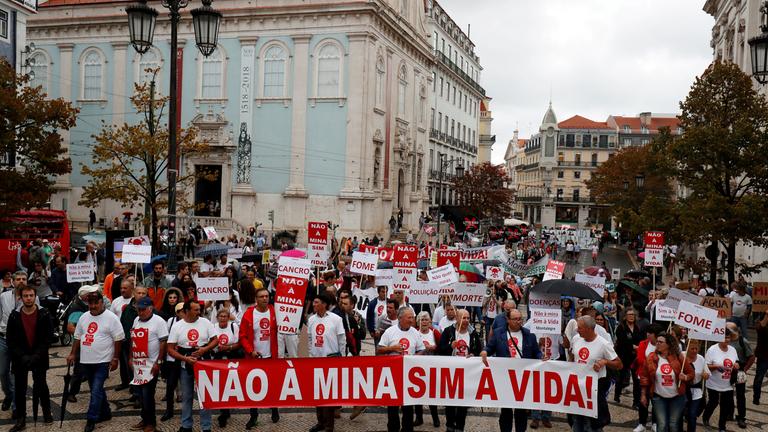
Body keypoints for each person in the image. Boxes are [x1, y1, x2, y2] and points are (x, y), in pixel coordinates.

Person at [67, 287, 125, 432]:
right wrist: (73, 353)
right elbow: (77, 336)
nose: (92, 307)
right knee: (96, 389)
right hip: (86, 361)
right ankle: (105, 412)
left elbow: (118, 339)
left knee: (96, 389)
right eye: (90, 304)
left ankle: (91, 418)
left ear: (102, 302)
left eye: (95, 304)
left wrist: (115, 358)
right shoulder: (84, 317)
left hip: (103, 361)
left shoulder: (111, 318)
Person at [481, 309, 541, 432]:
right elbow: (490, 347)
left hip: (523, 379)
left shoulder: (529, 335)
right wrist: (485, 351)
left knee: (521, 412)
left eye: (520, 319)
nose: (519, 322)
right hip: (505, 379)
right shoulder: (498, 333)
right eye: (515, 319)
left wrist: (542, 357)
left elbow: (537, 353)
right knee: (506, 411)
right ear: (507, 320)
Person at [7, 284, 53, 431]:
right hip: (21, 358)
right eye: (25, 296)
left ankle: (46, 412)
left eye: (31, 295)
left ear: (35, 296)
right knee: (20, 389)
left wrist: (37, 355)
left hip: (39, 357)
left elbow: (48, 337)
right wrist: (22, 355)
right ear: (21, 298)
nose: (28, 298)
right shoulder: (14, 315)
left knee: (41, 385)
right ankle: (21, 419)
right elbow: (10, 340)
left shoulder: (44, 313)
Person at [167, 301, 218, 432]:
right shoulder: (177, 326)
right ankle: (186, 425)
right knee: (187, 396)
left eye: (199, 309)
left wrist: (204, 349)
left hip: (203, 364)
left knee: (204, 396)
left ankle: (206, 427)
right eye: (195, 310)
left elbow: (215, 340)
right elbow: (170, 349)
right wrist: (185, 358)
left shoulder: (205, 323)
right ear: (186, 311)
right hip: (185, 364)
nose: (198, 312)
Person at [568, 315, 622, 432]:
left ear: (589, 329)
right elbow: (572, 357)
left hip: (595, 388)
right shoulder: (576, 339)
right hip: (578, 387)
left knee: (592, 424)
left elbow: (619, 364)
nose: (577, 330)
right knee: (577, 420)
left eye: (580, 327)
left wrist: (605, 362)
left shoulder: (603, 344)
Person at [377, 307, 425, 432]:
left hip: (409, 376)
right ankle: (393, 428)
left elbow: (421, 349)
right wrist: (391, 348)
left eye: (412, 317)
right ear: (400, 318)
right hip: (393, 374)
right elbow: (379, 349)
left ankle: (407, 429)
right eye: (409, 317)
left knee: (408, 406)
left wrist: (414, 358)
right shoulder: (390, 332)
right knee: (393, 406)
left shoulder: (415, 332)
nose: (412, 320)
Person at [238, 287, 279, 429]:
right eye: (261, 296)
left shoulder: (274, 312)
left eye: (267, 296)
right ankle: (253, 416)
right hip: (253, 358)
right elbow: (242, 336)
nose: (265, 299)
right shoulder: (249, 314)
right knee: (253, 388)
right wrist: (250, 351)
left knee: (272, 385)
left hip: (270, 357)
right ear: (256, 299)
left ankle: (274, 409)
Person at [638, 332, 692, 432]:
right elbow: (644, 377)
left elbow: (691, 374)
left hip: (677, 397)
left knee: (673, 425)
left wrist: (685, 377)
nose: (657, 343)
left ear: (668, 344)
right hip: (659, 396)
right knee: (661, 425)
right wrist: (643, 395)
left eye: (661, 342)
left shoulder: (679, 357)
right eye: (657, 341)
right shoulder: (651, 357)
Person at [307, 293, 346, 432]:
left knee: (329, 395)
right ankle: (320, 422)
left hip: (332, 361)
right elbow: (310, 339)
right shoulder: (311, 319)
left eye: (316, 302)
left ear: (324, 304)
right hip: (317, 361)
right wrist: (312, 355)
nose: (314, 304)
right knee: (318, 394)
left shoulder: (336, 319)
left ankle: (329, 425)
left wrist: (342, 358)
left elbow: (342, 340)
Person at [438, 309, 481, 432]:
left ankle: (460, 427)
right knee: (450, 402)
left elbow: (479, 349)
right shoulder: (448, 332)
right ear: (457, 318)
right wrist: (449, 347)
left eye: (468, 318)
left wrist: (474, 354)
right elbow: (440, 350)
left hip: (467, 373)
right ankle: (450, 425)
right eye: (464, 318)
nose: (466, 321)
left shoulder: (473, 333)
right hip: (450, 373)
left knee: (463, 402)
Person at [129, 296, 168, 432]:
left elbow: (163, 343)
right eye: (138, 309)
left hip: (151, 364)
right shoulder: (136, 320)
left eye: (143, 309)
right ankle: (144, 419)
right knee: (139, 394)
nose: (140, 312)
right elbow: (133, 340)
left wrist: (159, 361)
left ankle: (151, 423)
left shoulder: (159, 322)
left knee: (148, 394)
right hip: (138, 364)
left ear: (150, 308)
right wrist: (130, 358)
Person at [702, 326, 739, 432]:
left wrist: (736, 365)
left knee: (725, 406)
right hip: (713, 383)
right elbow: (706, 366)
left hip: (728, 384)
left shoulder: (733, 350)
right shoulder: (712, 350)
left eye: (728, 337)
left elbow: (736, 363)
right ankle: (705, 417)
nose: (727, 340)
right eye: (724, 338)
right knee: (713, 402)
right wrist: (717, 366)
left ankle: (722, 427)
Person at [210, 308, 241, 428]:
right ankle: (223, 412)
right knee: (220, 385)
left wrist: (228, 347)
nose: (223, 318)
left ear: (228, 317)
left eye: (225, 316)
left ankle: (226, 409)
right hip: (217, 358)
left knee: (230, 384)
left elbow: (239, 343)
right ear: (217, 317)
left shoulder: (233, 327)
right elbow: (209, 342)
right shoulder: (213, 327)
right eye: (220, 316)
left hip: (231, 357)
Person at [410, 311, 440, 427]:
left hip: (431, 367)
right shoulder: (415, 333)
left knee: (431, 393)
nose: (424, 322)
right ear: (418, 322)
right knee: (418, 393)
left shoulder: (435, 333)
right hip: (417, 368)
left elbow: (442, 347)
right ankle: (419, 418)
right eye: (422, 320)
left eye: (426, 319)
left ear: (430, 321)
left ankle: (435, 417)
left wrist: (435, 347)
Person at [726, 321, 755, 429]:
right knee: (727, 392)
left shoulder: (743, 341)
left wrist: (745, 369)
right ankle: (729, 413)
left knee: (740, 395)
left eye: (728, 330)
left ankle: (741, 417)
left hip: (740, 369)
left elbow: (751, 357)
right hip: (728, 369)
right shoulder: (726, 340)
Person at [160, 303, 185, 422]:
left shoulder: (190, 323)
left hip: (185, 358)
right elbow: (165, 338)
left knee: (187, 386)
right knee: (170, 385)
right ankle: (169, 410)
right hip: (172, 358)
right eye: (180, 310)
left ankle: (187, 411)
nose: (182, 312)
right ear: (176, 312)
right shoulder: (171, 322)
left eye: (184, 310)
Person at [614, 308, 644, 405]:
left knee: (636, 380)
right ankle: (617, 395)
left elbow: (641, 339)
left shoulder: (637, 328)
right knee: (621, 377)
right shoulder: (621, 328)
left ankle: (636, 401)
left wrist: (639, 347)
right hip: (623, 356)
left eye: (633, 315)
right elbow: (621, 341)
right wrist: (632, 346)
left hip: (635, 357)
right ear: (625, 316)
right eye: (629, 315)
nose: (631, 316)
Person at [683, 339, 709, 432]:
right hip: (683, 390)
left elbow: (707, 374)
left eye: (696, 348)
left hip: (696, 391)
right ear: (687, 347)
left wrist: (705, 375)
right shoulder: (681, 356)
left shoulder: (701, 358)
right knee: (679, 414)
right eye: (692, 348)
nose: (694, 351)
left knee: (692, 415)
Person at [754, 311, 768, 405]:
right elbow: (761, 327)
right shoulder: (761, 326)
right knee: (759, 378)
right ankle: (756, 398)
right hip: (763, 357)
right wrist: (767, 314)